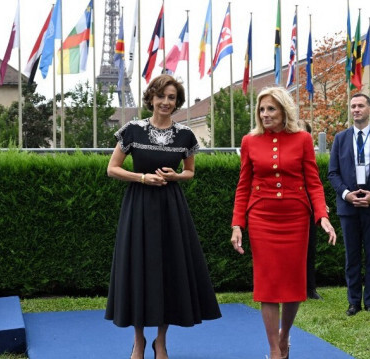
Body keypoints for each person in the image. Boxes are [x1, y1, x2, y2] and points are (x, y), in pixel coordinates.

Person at [105, 74, 221, 359]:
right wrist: (142, 177)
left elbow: (190, 172)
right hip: (138, 208)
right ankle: (139, 341)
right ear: (151, 99)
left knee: (168, 273)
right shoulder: (132, 130)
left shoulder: (185, 135)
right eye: (161, 97)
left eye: (171, 98)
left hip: (171, 210)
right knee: (139, 270)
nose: (166, 102)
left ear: (176, 101)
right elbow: (112, 169)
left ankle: (161, 341)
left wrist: (177, 175)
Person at [230, 87, 336, 359]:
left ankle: (285, 336)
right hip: (262, 218)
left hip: (296, 218)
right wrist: (237, 224)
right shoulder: (249, 141)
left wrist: (322, 216)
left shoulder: (302, 139)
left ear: (284, 111)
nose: (265, 114)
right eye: (261, 110)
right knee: (267, 285)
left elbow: (313, 181)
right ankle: (274, 351)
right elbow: (243, 185)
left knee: (292, 285)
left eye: (271, 109)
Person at [328, 93, 370, 315]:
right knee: (352, 256)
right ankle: (353, 302)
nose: (356, 109)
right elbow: (333, 173)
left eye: (360, 106)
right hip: (348, 207)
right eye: (352, 106)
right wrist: (346, 194)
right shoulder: (340, 139)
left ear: (369, 109)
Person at [298, 120, 323, 300]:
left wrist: (320, 206)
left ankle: (310, 288)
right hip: (289, 208)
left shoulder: (309, 158)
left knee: (309, 248)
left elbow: (315, 184)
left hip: (308, 208)